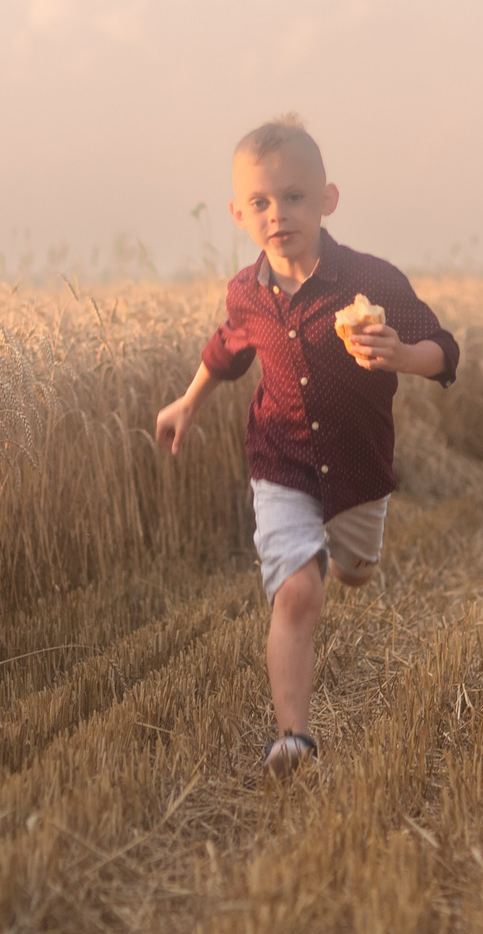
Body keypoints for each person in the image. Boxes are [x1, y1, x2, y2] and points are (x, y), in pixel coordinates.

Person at [153, 115, 461, 776]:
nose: (277, 213)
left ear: (328, 198)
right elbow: (225, 352)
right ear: (238, 212)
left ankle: (350, 561)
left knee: (355, 569)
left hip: (359, 470)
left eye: (293, 196)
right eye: (260, 201)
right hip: (281, 462)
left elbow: (445, 352)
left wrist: (402, 354)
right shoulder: (247, 293)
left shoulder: (372, 282)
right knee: (298, 592)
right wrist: (188, 401)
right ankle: (294, 737)